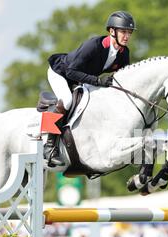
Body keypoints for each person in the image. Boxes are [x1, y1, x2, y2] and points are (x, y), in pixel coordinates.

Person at [44, 11, 136, 167]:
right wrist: (97, 81)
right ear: (112, 31)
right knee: (66, 101)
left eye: (129, 32)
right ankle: (49, 146)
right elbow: (71, 71)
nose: (127, 36)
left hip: (81, 78)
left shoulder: (123, 53)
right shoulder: (94, 45)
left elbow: (123, 79)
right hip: (60, 73)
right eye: (123, 31)